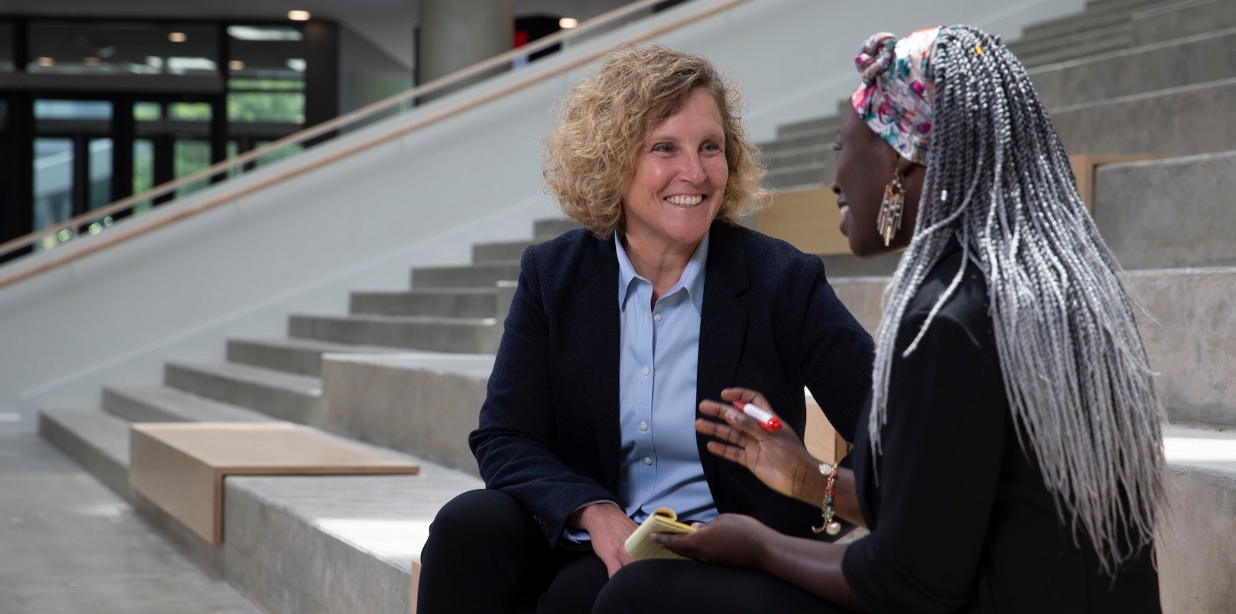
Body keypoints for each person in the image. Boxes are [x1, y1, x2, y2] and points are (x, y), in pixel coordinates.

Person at [593, 25, 1166, 613]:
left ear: (898, 156)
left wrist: (757, 545)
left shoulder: (945, 321)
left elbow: (912, 580)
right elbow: (944, 506)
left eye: (842, 147)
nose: (836, 180)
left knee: (638, 596)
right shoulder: (1040, 290)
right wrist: (803, 475)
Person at [416, 45, 875, 613]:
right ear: (612, 161)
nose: (696, 172)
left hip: (722, 553)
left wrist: (817, 507)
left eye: (711, 147)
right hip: (597, 536)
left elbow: (890, 421)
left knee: (579, 599)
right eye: (665, 148)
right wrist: (592, 510)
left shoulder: (782, 281)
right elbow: (505, 437)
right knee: (468, 525)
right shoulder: (553, 274)